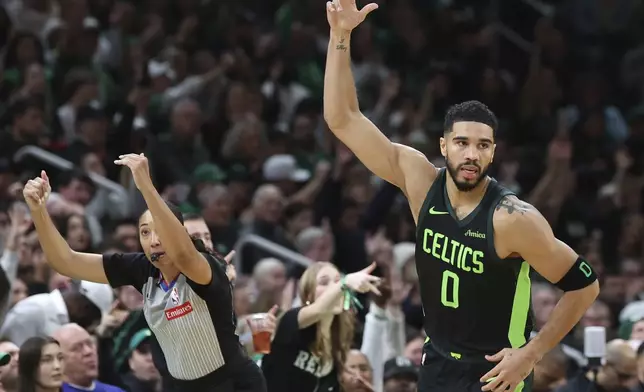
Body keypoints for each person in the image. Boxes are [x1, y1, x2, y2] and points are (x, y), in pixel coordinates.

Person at [322, 1, 600, 391]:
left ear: (493, 152)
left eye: (483, 145)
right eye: (462, 143)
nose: (472, 154)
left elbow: (584, 286)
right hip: (436, 361)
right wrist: (340, 34)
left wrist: (531, 352)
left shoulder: (513, 218)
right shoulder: (418, 180)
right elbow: (343, 120)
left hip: (495, 372)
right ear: (444, 145)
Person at [22, 153, 266, 392]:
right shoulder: (142, 269)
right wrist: (39, 212)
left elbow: (182, 255)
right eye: (145, 232)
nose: (153, 240)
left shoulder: (205, 266)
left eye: (160, 229)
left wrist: (147, 188)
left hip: (232, 384)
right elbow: (67, 262)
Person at [260, 261, 380, 392]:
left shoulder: (337, 344)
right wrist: (345, 282)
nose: (335, 289)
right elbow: (318, 309)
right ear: (309, 295)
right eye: (324, 283)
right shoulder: (291, 320)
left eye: (336, 281)